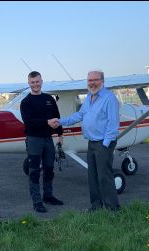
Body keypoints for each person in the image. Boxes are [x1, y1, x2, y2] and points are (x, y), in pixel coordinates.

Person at [48, 70, 120, 211]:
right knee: (92, 177)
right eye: (89, 80)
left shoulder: (109, 98)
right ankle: (96, 207)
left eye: (95, 80)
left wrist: (105, 144)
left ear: (102, 81)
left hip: (103, 144)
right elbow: (79, 115)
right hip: (92, 142)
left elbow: (113, 124)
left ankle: (113, 209)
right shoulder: (89, 97)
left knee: (105, 177)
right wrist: (60, 121)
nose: (92, 83)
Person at [20, 71, 64, 213]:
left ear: (41, 81)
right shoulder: (26, 102)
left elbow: (57, 117)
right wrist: (46, 122)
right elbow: (29, 122)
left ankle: (48, 196)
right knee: (34, 171)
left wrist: (60, 134)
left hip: (48, 139)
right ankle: (37, 202)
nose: (35, 84)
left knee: (49, 168)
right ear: (29, 83)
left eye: (37, 82)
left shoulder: (49, 99)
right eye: (32, 82)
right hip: (34, 139)